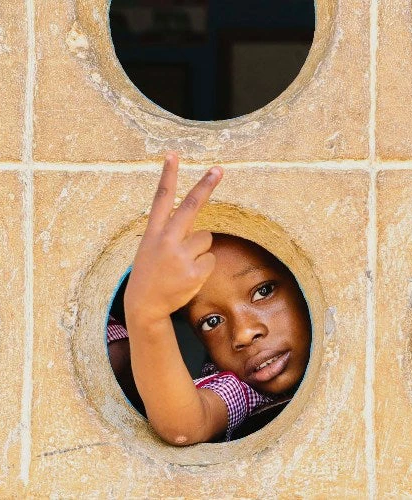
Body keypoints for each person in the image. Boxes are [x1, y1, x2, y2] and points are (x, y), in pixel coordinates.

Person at [108, 153, 311, 445]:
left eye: (263, 291)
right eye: (211, 321)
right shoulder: (244, 389)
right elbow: (185, 425)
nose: (243, 333)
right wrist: (147, 313)